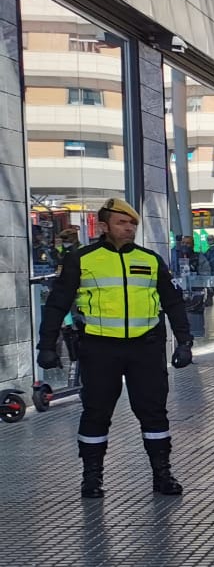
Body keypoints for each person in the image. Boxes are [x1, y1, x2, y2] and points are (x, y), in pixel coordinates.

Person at [36, 199, 192, 499]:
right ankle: (91, 478)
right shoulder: (82, 259)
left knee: (154, 413)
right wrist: (47, 345)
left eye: (132, 223)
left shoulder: (150, 259)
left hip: (145, 349)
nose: (129, 227)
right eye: (122, 222)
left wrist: (185, 342)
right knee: (96, 413)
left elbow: (172, 302)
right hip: (99, 349)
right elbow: (57, 304)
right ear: (104, 226)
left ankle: (162, 475)